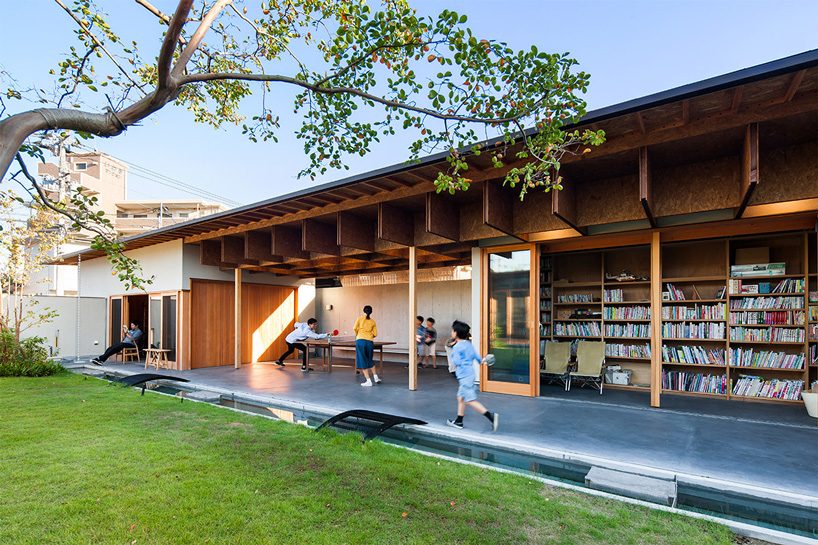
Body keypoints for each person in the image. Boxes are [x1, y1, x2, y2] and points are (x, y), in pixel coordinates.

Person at [446, 320, 499, 432]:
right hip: (470, 374)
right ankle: (459, 421)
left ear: (456, 333)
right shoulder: (468, 344)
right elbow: (478, 358)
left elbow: (456, 361)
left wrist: (452, 349)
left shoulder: (457, 347)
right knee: (461, 398)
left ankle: (491, 417)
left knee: (470, 400)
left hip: (464, 376)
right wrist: (483, 360)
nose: (451, 332)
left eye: (452, 330)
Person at [353, 305, 381, 387]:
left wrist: (359, 334)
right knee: (369, 359)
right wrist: (369, 335)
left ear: (363, 310)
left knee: (362, 360)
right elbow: (375, 334)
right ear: (371, 312)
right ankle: (376, 377)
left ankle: (368, 381)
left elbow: (354, 328)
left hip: (360, 341)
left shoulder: (359, 318)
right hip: (369, 342)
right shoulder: (373, 321)